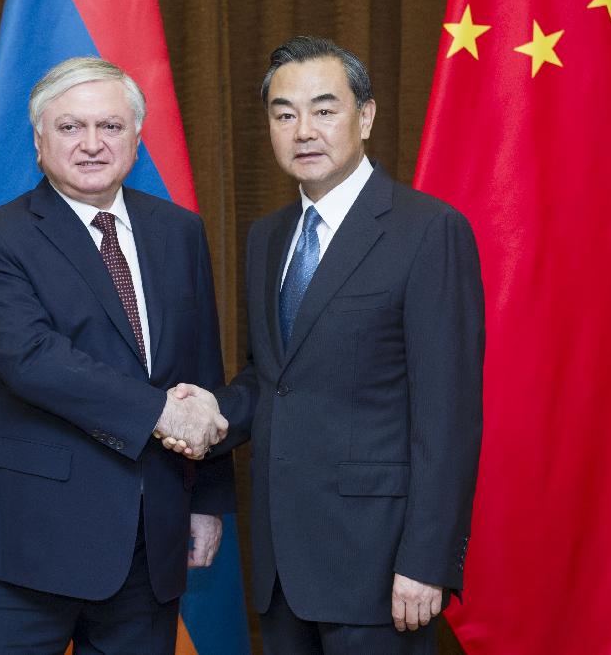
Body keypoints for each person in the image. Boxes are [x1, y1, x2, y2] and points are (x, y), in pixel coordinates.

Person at [165, 36, 484, 654]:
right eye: (284, 114)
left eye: (324, 109)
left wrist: (427, 559)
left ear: (365, 117)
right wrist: (208, 415)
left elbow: (449, 414)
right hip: (283, 561)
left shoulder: (428, 231)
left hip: (382, 562)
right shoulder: (268, 236)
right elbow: (272, 379)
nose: (303, 130)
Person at [0, 56, 234, 654]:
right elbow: (35, 360)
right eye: (71, 127)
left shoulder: (179, 230)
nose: (93, 145)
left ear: (137, 137)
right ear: (40, 140)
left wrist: (205, 499)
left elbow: (201, 371)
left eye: (112, 127)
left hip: (150, 540)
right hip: (27, 542)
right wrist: (161, 414)